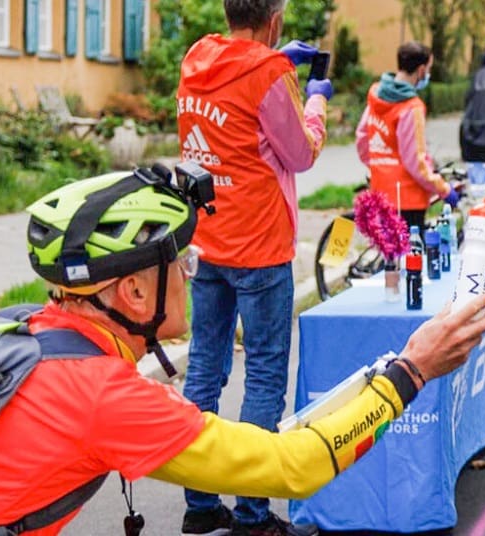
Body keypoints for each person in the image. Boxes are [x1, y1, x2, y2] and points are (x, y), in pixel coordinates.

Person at [0, 170, 485, 536]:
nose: (188, 275)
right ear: (135, 292)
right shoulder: (104, 396)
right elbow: (296, 468)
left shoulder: (23, 328)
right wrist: (414, 370)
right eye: (180, 263)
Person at [174, 1, 335, 532]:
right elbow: (302, 153)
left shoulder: (198, 56)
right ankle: (252, 514)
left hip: (206, 237)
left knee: (204, 368)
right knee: (264, 372)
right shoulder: (270, 73)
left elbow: (233, 94)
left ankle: (199, 509)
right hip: (260, 246)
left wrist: (270, 59)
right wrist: (314, 100)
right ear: (275, 17)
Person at [355, 41, 458, 232]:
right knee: (410, 258)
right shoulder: (412, 107)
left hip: (380, 190)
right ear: (420, 71)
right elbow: (415, 161)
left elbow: (362, 137)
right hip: (408, 198)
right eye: (428, 70)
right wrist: (443, 188)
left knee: (390, 254)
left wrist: (379, 165)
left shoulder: (376, 96)